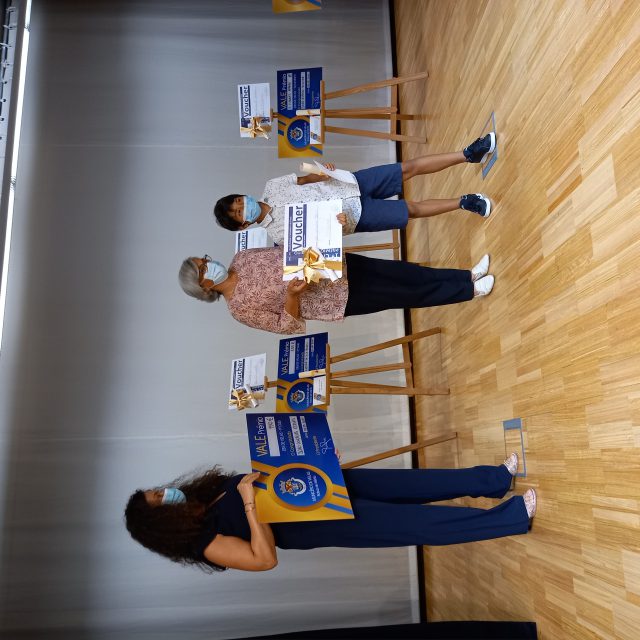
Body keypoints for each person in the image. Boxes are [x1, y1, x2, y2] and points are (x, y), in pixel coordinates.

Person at [124, 453, 536, 572]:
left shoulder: (205, 491)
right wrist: (249, 503)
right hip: (319, 522)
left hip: (322, 489)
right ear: (162, 522)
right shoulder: (203, 543)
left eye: (159, 490)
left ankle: (495, 478)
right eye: (160, 498)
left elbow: (269, 480)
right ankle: (512, 517)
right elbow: (263, 559)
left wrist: (313, 461)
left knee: (414, 482)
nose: (167, 491)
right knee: (417, 524)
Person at [213, 134, 496, 245]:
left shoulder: (272, 186)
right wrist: (333, 228)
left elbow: (304, 181)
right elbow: (315, 242)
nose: (243, 206)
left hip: (349, 183)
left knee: (407, 168)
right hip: (354, 217)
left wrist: (322, 172)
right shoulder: (277, 236)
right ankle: (465, 202)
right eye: (238, 212)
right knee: (410, 209)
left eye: (238, 201)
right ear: (243, 225)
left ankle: (468, 154)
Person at [177, 248, 495, 335]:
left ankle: (466, 275)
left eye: (204, 259)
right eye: (204, 267)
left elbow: (287, 248)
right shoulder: (239, 309)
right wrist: (292, 295)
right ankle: (469, 292)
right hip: (337, 299)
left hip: (336, 265)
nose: (210, 262)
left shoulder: (241, 258)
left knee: (407, 271)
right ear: (204, 286)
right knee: (407, 294)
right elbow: (285, 326)